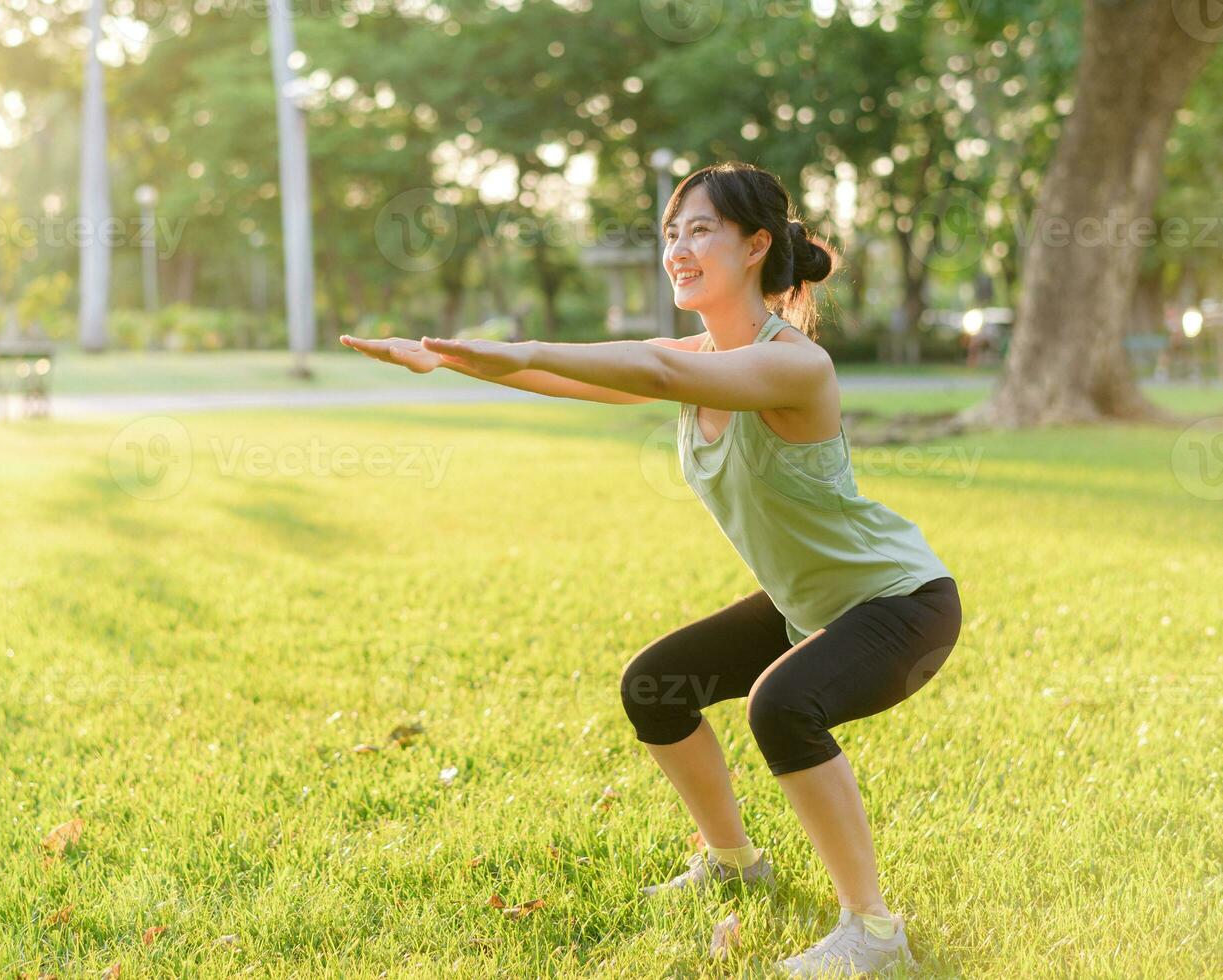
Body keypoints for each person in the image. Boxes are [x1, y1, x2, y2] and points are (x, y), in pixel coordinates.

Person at [339, 161, 962, 977]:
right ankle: (735, 863)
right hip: (805, 599)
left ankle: (875, 934)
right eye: (671, 232)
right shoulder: (697, 355)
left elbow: (656, 371)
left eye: (700, 229)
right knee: (655, 686)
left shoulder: (792, 365)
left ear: (755, 246)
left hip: (899, 602)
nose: (678, 247)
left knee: (783, 707)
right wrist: (445, 359)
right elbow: (560, 377)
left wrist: (504, 344)